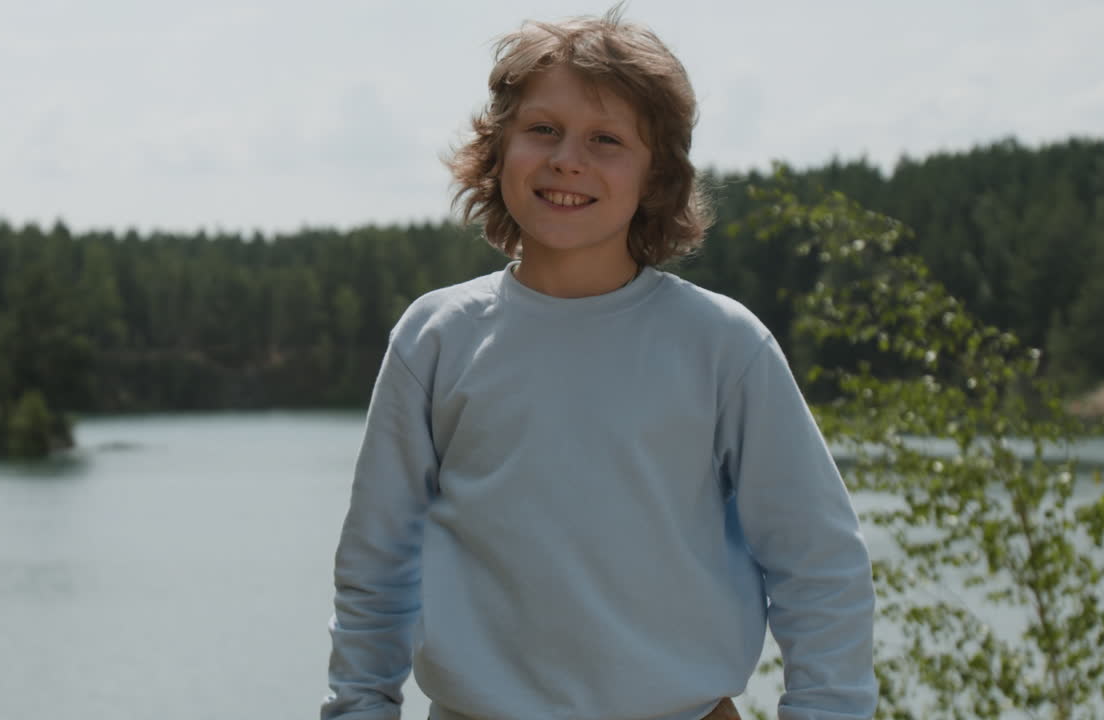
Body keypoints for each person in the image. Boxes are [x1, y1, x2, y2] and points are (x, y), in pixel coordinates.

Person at [321, 8, 876, 720]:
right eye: (541, 129)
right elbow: (376, 562)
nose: (566, 159)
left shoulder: (723, 347)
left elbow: (820, 566)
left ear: (656, 178)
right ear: (498, 151)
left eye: (606, 139)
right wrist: (361, 706)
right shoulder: (436, 338)